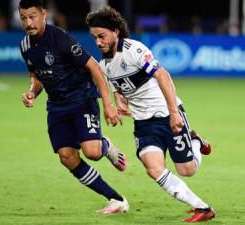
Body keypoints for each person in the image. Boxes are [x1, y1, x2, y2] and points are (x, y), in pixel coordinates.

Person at [86, 6, 215, 222]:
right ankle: (203, 208)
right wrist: (120, 102)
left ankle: (195, 142)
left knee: (187, 170)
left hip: (167, 114)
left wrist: (174, 112)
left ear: (116, 31)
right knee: (154, 169)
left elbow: (163, 75)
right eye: (95, 38)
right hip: (144, 124)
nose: (98, 42)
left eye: (102, 36)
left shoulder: (134, 49)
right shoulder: (104, 66)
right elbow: (120, 89)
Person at [18, 0, 129, 214]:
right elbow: (37, 76)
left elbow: (95, 68)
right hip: (57, 105)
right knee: (67, 157)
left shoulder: (60, 39)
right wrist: (32, 92)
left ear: (44, 14)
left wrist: (108, 104)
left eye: (32, 16)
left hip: (81, 98)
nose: (28, 22)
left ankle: (104, 144)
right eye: (24, 18)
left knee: (93, 153)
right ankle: (115, 199)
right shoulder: (25, 46)